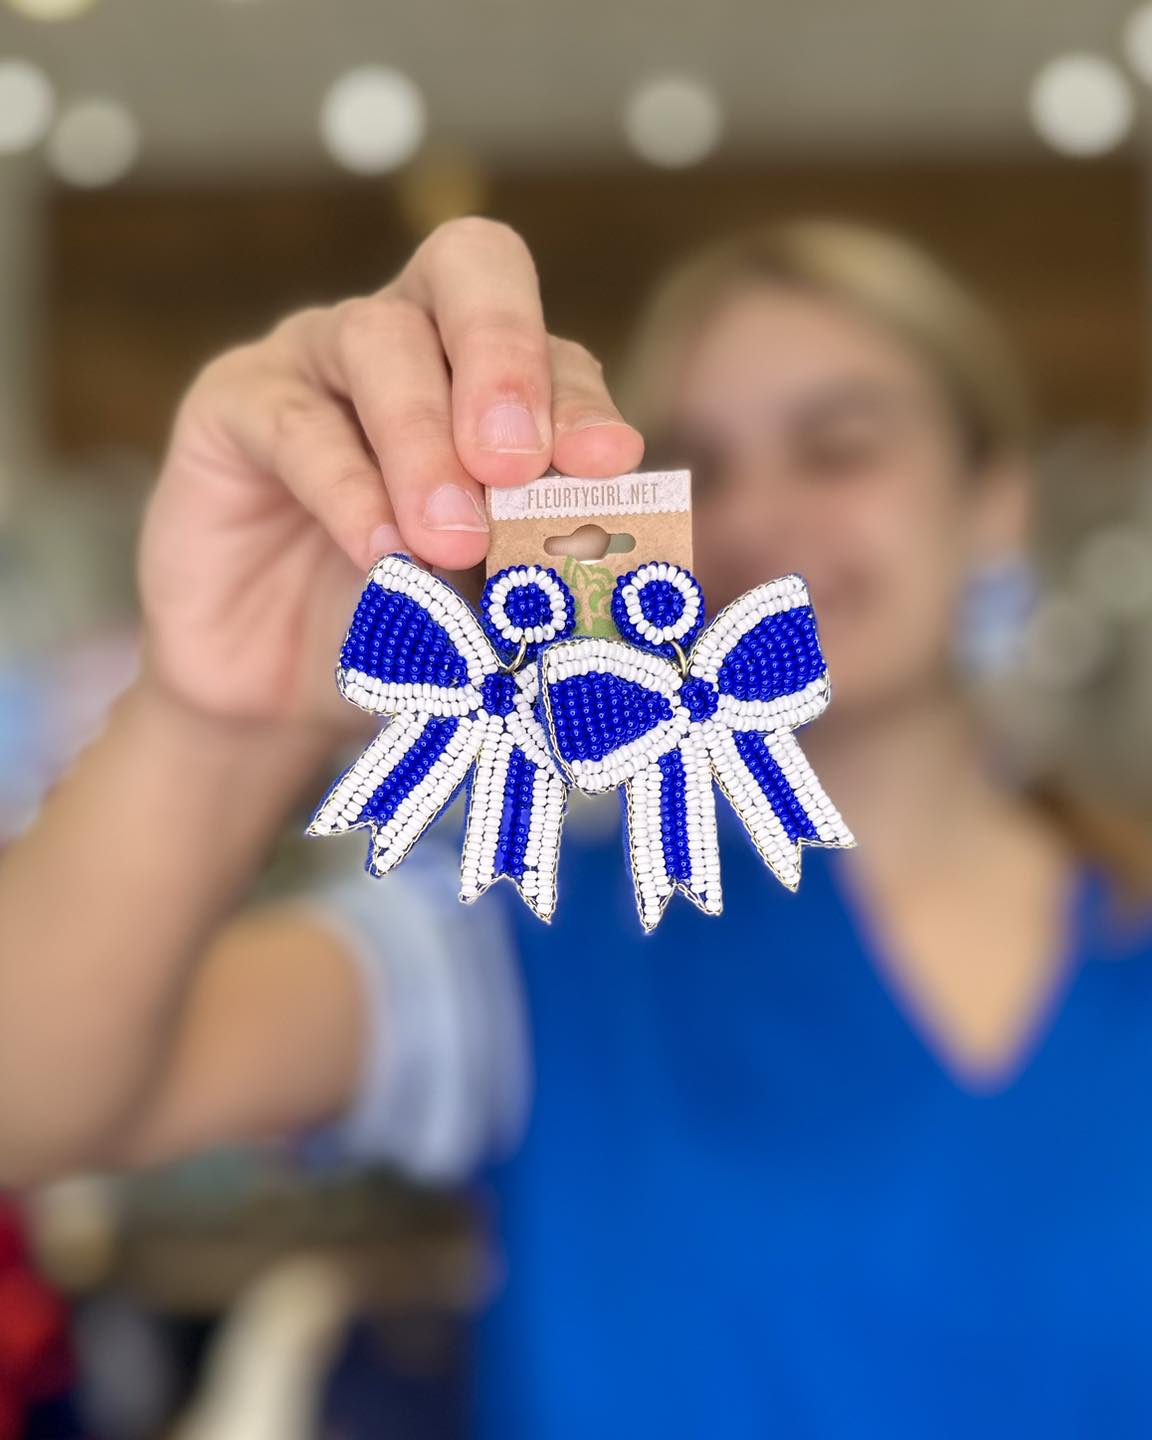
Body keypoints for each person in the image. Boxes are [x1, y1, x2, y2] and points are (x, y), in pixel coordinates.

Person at [2, 215, 1152, 1438]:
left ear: (994, 501)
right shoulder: (522, 931)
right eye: (700, 467)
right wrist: (211, 717)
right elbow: (35, 1097)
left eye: (839, 447)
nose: (762, 517)